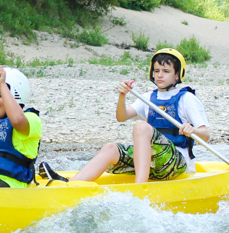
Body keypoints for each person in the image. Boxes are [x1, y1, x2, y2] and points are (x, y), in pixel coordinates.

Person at [69, 48, 210, 185]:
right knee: (110, 148)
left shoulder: (187, 99)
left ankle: (139, 187)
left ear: (177, 75)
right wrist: (122, 95)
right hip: (152, 162)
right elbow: (122, 117)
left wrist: (193, 130)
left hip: (177, 163)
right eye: (157, 71)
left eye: (166, 71)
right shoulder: (147, 98)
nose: (160, 75)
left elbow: (205, 135)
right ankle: (71, 185)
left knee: (141, 126)